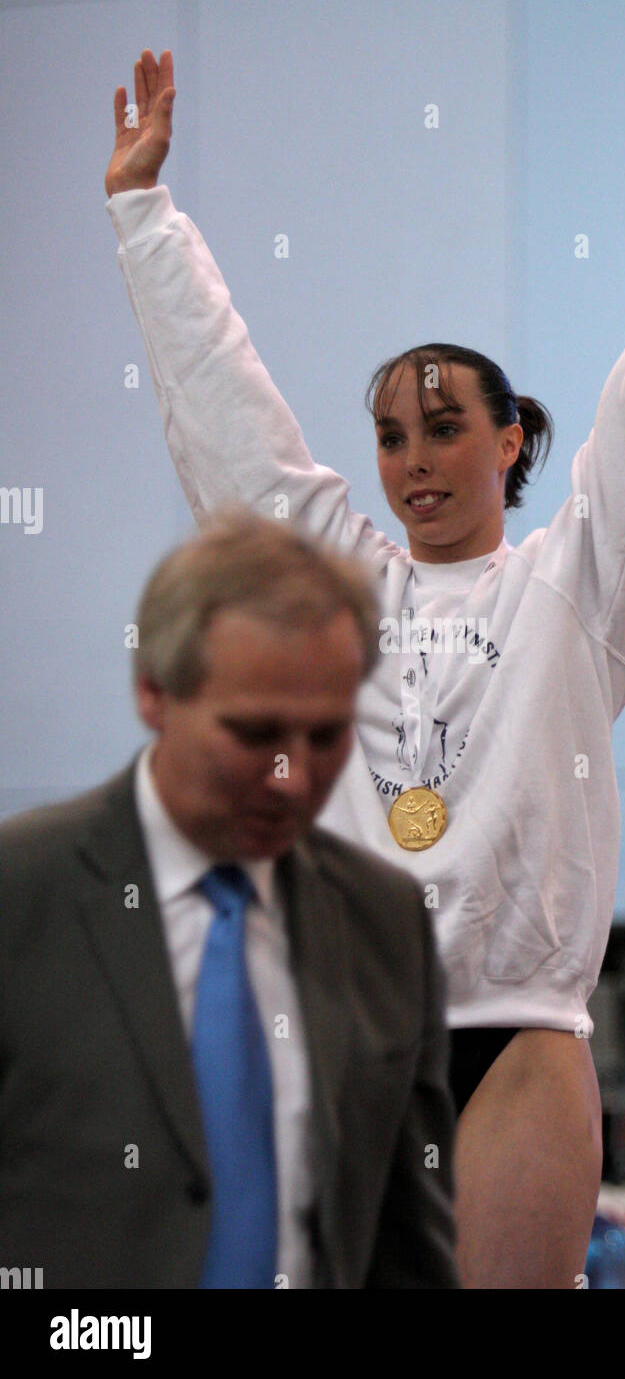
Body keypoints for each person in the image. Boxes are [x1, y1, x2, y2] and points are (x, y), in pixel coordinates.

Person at [103, 49, 625, 1288]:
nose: (411, 460)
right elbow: (230, 417)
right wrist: (142, 214)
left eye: (442, 428)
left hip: (524, 1043)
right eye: (388, 436)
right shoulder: (333, 589)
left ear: (510, 441)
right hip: (351, 1030)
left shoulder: (577, 585)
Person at [0, 510, 458, 1289]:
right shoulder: (22, 898)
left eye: (326, 736)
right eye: (255, 735)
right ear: (153, 691)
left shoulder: (384, 924)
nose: (294, 779)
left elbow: (405, 1248)